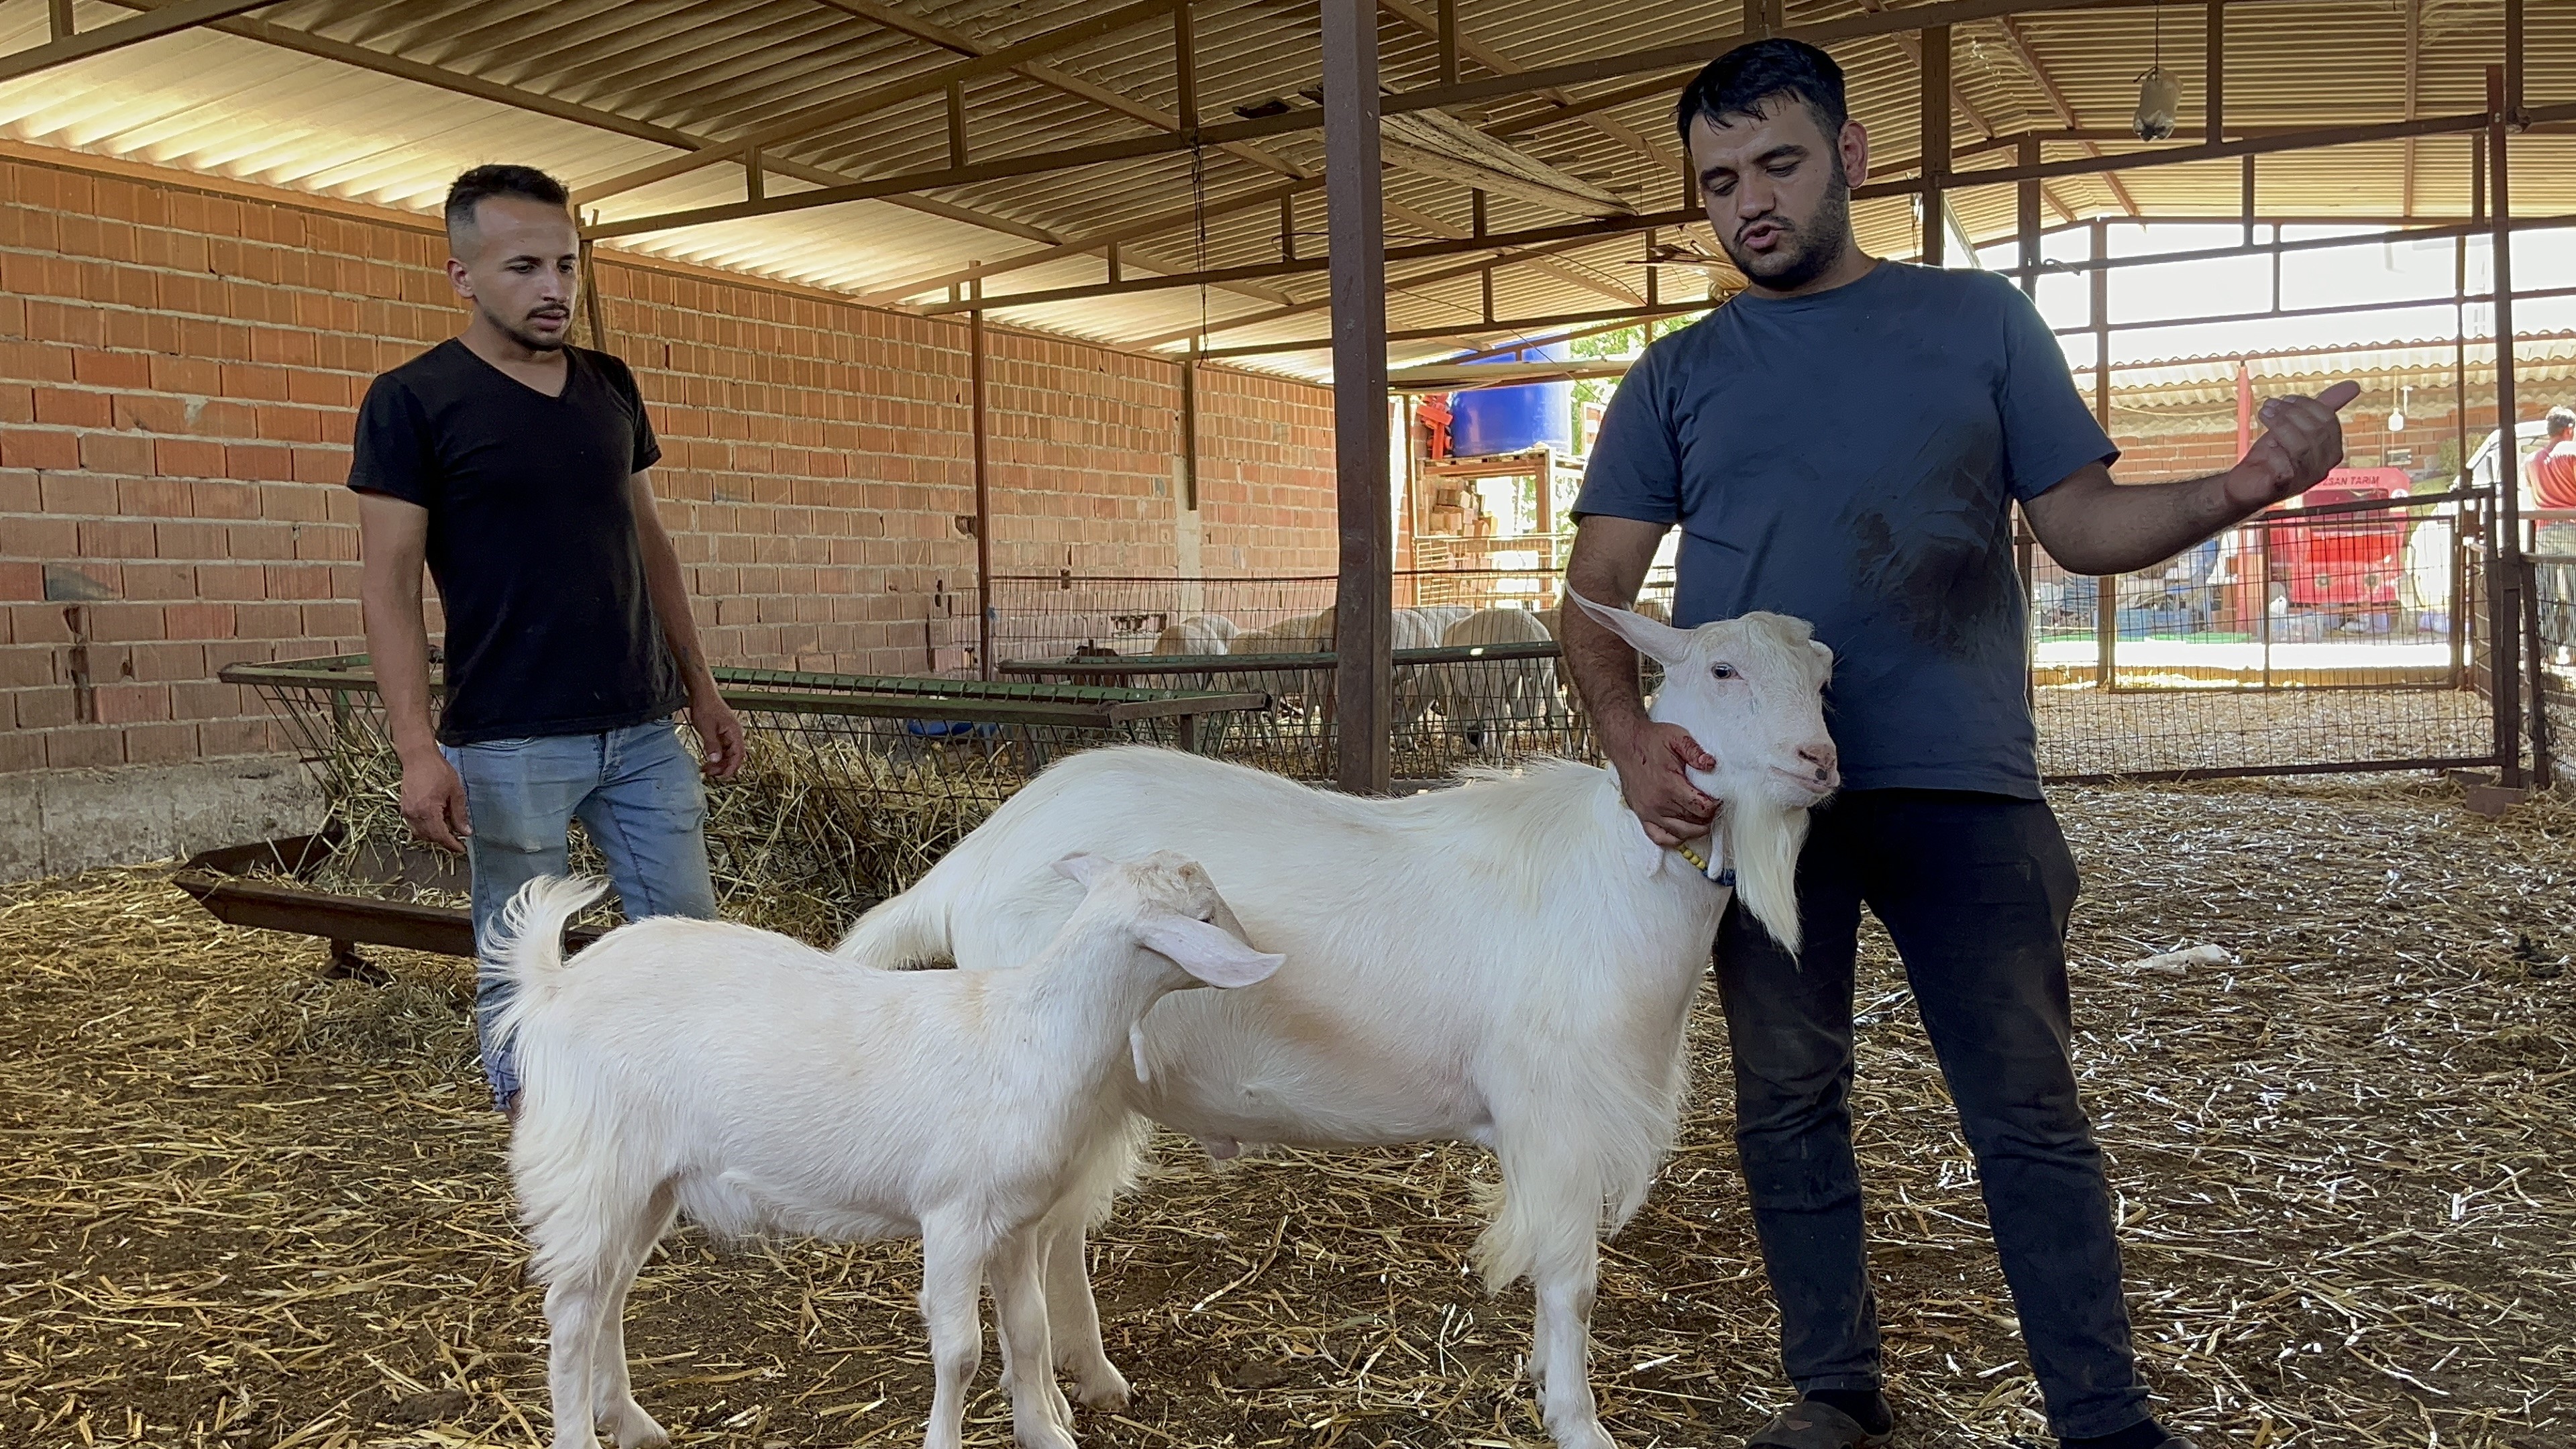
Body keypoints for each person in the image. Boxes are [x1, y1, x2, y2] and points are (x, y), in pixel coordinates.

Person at [1560, 40, 2357, 1449]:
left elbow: (2085, 524)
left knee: (2025, 1109)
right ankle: (1837, 1391)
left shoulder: (1980, 323)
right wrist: (1628, 739)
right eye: (1720, 180)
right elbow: (1600, 592)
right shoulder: (1675, 375)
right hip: (1762, 810)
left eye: (1780, 163)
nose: (1751, 200)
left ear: (1853, 160)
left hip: (1960, 780)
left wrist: (2246, 484)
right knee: (1789, 1100)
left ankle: (2103, 1419)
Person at [350, 164, 745, 1117]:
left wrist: (702, 686)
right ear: (463, 275)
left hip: (644, 728)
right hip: (511, 736)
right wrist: (416, 749)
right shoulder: (414, 400)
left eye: (565, 266)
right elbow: (388, 586)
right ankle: (540, 1135)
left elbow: (649, 541)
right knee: (522, 953)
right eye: (524, 267)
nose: (554, 289)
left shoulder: (609, 385)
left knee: (687, 936)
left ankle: (685, 1120)